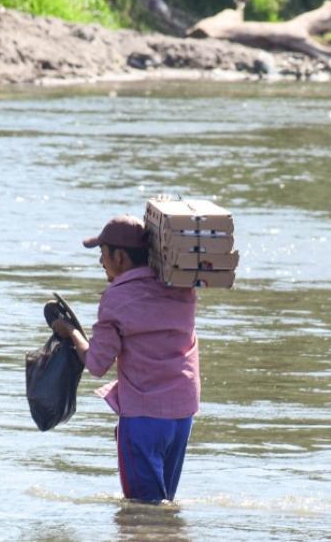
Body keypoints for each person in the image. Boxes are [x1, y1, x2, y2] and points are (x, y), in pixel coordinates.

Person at [51, 214, 199, 503]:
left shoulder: (117, 297)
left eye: (103, 254)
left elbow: (96, 363)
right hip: (183, 413)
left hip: (144, 416)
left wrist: (70, 332)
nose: (100, 262)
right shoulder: (182, 288)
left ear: (120, 257)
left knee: (142, 508)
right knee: (163, 504)